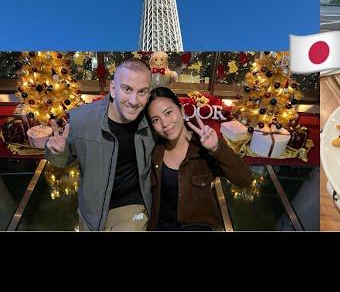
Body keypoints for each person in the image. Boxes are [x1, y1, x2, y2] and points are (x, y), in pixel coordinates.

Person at [45, 59, 156, 231]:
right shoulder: (82, 120)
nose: (134, 101)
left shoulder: (152, 121)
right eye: (127, 89)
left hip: (131, 206)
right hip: (92, 210)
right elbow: (63, 161)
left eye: (142, 92)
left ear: (149, 94)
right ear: (113, 88)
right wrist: (58, 151)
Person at [145, 87, 252, 231]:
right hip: (162, 226)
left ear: (182, 111)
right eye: (156, 120)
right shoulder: (155, 151)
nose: (165, 124)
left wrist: (216, 148)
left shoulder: (203, 147)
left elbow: (245, 179)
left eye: (169, 112)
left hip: (197, 226)